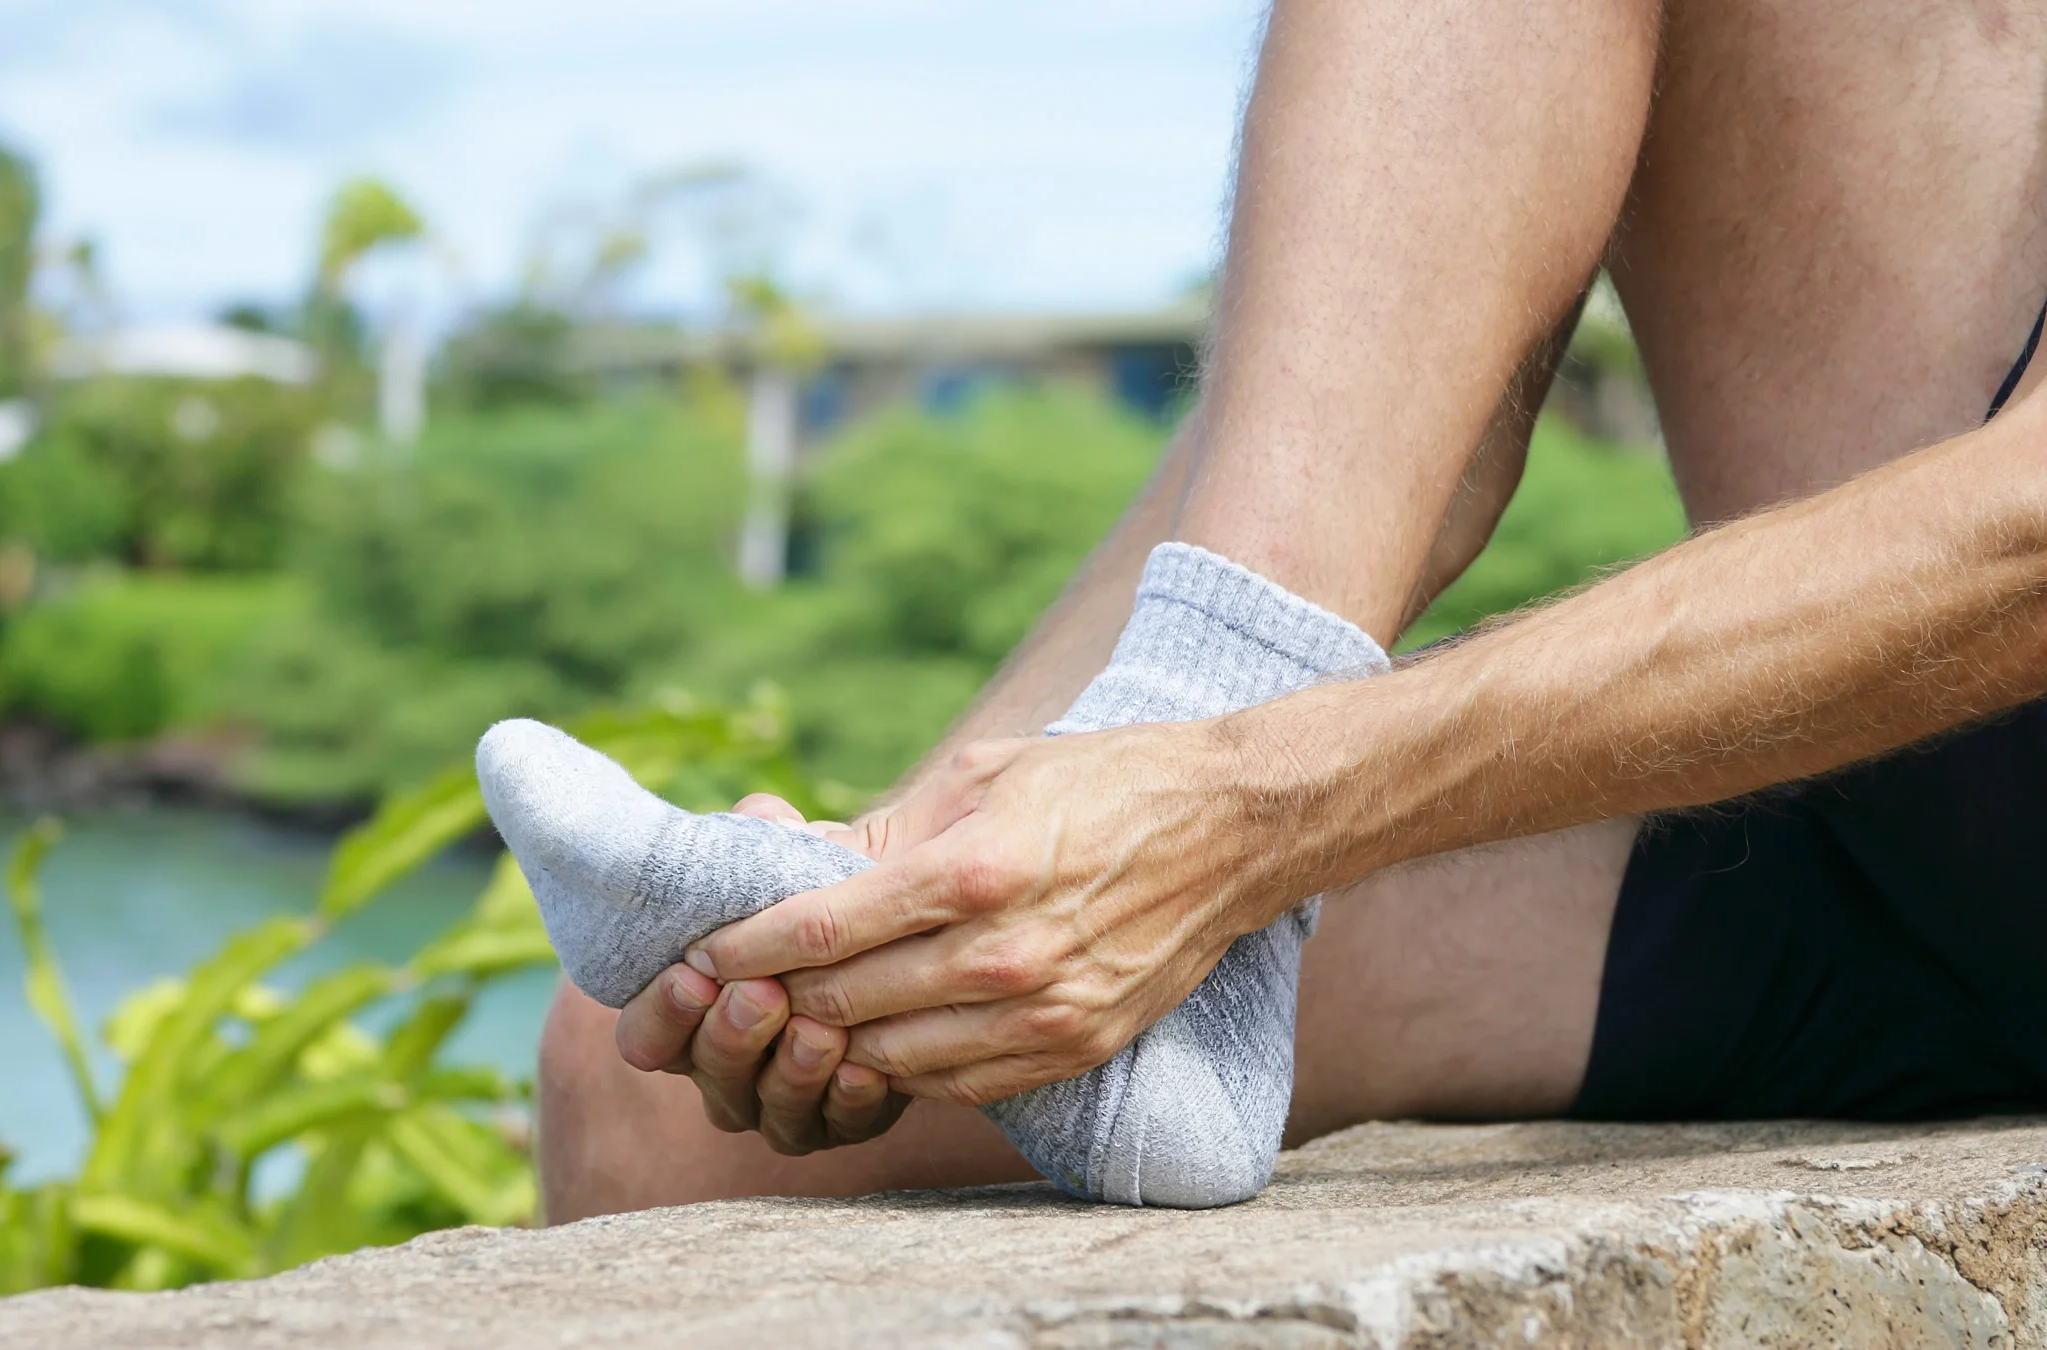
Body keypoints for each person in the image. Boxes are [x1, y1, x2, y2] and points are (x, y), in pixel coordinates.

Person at [527, 0, 2047, 1220]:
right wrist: (926, 864)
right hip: (1872, 814)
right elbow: (1399, 438)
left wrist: (1239, 815)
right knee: (643, 1083)